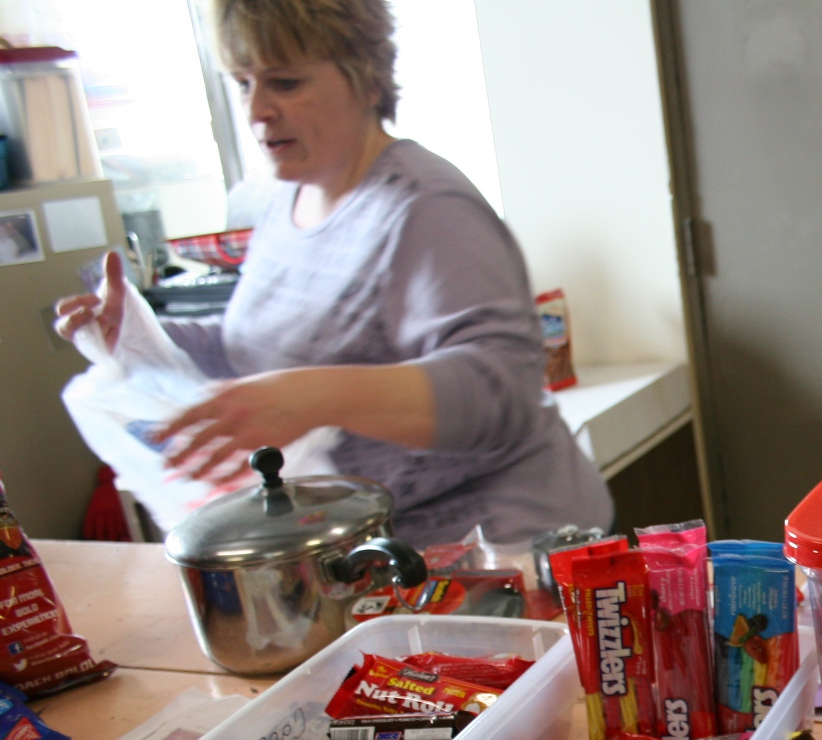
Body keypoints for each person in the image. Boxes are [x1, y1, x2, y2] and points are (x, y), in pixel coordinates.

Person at [54, 0, 613, 547]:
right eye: (244, 83)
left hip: (506, 553)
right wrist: (138, 334)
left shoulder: (425, 205)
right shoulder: (285, 201)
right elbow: (259, 348)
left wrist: (312, 397)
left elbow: (500, 389)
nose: (256, 111)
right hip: (384, 556)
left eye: (285, 83)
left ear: (367, 79)